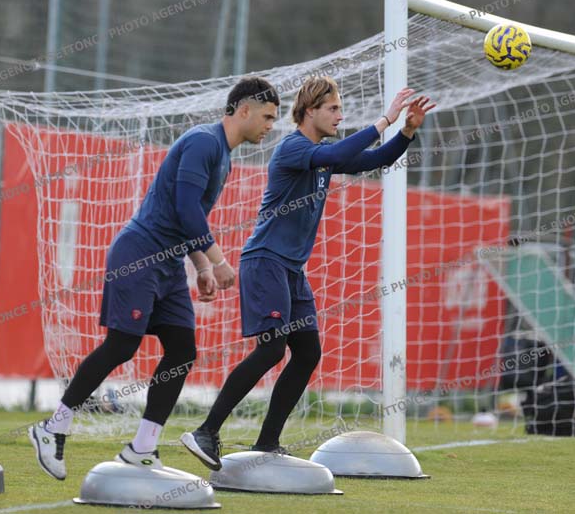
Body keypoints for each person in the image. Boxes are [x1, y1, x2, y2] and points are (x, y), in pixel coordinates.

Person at [29, 77, 280, 480]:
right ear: (244, 110)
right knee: (122, 345)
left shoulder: (224, 156)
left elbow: (189, 218)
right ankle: (53, 427)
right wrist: (216, 261)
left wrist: (200, 266)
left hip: (169, 264)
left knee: (182, 350)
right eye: (267, 116)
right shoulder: (204, 142)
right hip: (139, 254)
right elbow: (185, 208)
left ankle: (142, 447)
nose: (270, 126)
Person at [181, 77, 435, 470]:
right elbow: (344, 151)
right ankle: (205, 431)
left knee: (307, 352)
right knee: (271, 349)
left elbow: (376, 160)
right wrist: (385, 119)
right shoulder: (293, 148)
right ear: (310, 111)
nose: (340, 115)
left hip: (291, 270)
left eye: (340, 108)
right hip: (266, 261)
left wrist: (406, 132)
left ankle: (267, 442)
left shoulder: (322, 155)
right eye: (333, 109)